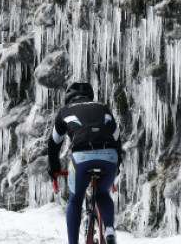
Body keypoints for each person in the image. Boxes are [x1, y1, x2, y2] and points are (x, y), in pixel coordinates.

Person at [48, 82, 123, 244]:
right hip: (110, 155)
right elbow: (117, 139)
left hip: (82, 156)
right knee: (103, 194)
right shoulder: (103, 107)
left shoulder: (65, 112)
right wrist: (117, 166)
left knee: (75, 199)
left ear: (68, 97)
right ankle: (109, 229)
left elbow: (54, 143)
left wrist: (54, 168)